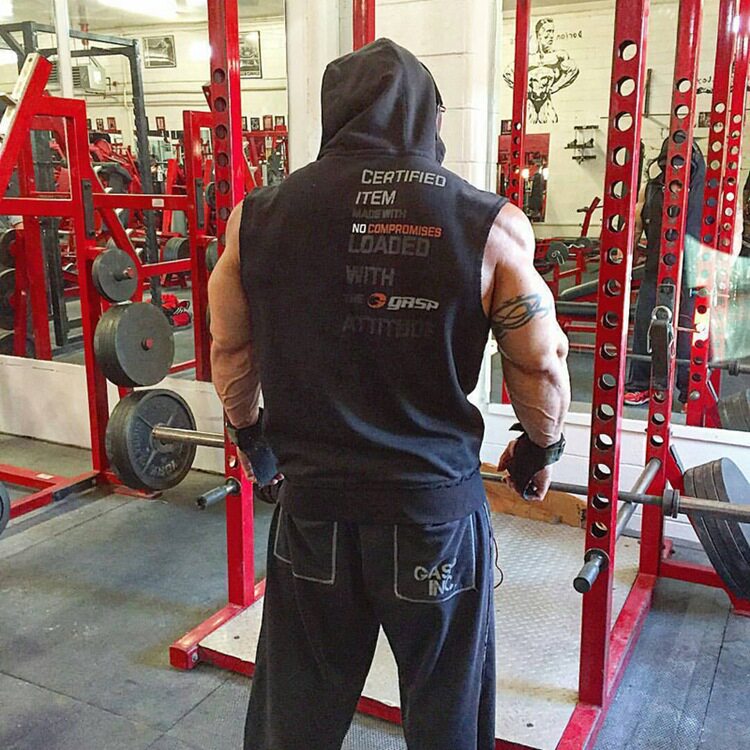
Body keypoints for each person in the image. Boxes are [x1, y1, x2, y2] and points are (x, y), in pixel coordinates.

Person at [208, 38, 570, 750]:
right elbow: (542, 363)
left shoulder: (256, 218)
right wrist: (539, 448)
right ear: (428, 116)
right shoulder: (490, 223)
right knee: (447, 719)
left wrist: (253, 439)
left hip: (315, 512)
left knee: (295, 719)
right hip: (432, 516)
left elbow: (230, 349)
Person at [624, 137, 706, 406]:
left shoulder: (709, 189)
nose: (676, 169)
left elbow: (733, 226)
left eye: (682, 163)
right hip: (655, 269)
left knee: (688, 333)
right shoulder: (651, 188)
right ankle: (641, 383)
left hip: (695, 272)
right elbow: (636, 226)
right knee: (645, 325)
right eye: (670, 163)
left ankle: (688, 388)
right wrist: (623, 264)